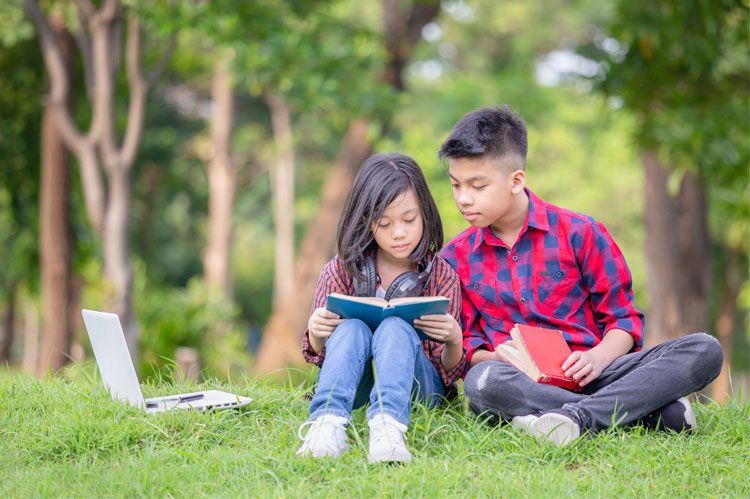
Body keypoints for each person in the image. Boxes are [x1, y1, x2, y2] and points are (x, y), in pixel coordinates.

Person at [438, 105, 723, 446]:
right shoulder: (455, 257)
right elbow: (470, 349)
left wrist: (597, 357)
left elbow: (624, 322)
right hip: (519, 381)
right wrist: (501, 357)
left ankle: (576, 418)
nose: (463, 199)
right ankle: (645, 415)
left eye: (477, 186)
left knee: (705, 349)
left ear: (516, 181)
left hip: (600, 374)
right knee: (482, 382)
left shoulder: (580, 232)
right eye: (456, 185)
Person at [297, 152, 467, 462]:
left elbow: (447, 372)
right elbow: (318, 354)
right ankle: (326, 425)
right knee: (349, 328)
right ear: (366, 221)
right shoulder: (339, 270)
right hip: (356, 389)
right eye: (384, 223)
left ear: (425, 213)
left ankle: (388, 428)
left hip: (419, 391)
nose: (399, 232)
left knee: (394, 327)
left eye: (409, 219)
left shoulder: (442, 274)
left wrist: (454, 339)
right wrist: (317, 333)